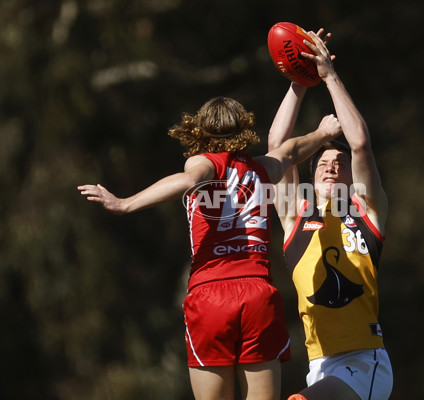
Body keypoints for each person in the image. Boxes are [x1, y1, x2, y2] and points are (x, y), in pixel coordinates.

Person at [78, 96, 342, 400]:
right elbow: (292, 151)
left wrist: (125, 204)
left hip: (211, 295)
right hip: (257, 294)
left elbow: (189, 179)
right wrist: (322, 132)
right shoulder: (262, 169)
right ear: (243, 128)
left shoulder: (201, 163)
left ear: (199, 131)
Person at [267, 29, 393, 400]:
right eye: (323, 160)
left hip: (365, 362)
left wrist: (328, 75)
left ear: (353, 177)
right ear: (311, 173)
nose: (332, 166)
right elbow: (278, 147)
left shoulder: (366, 211)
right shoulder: (296, 216)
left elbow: (360, 144)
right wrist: (298, 82)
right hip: (319, 364)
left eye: (341, 163)